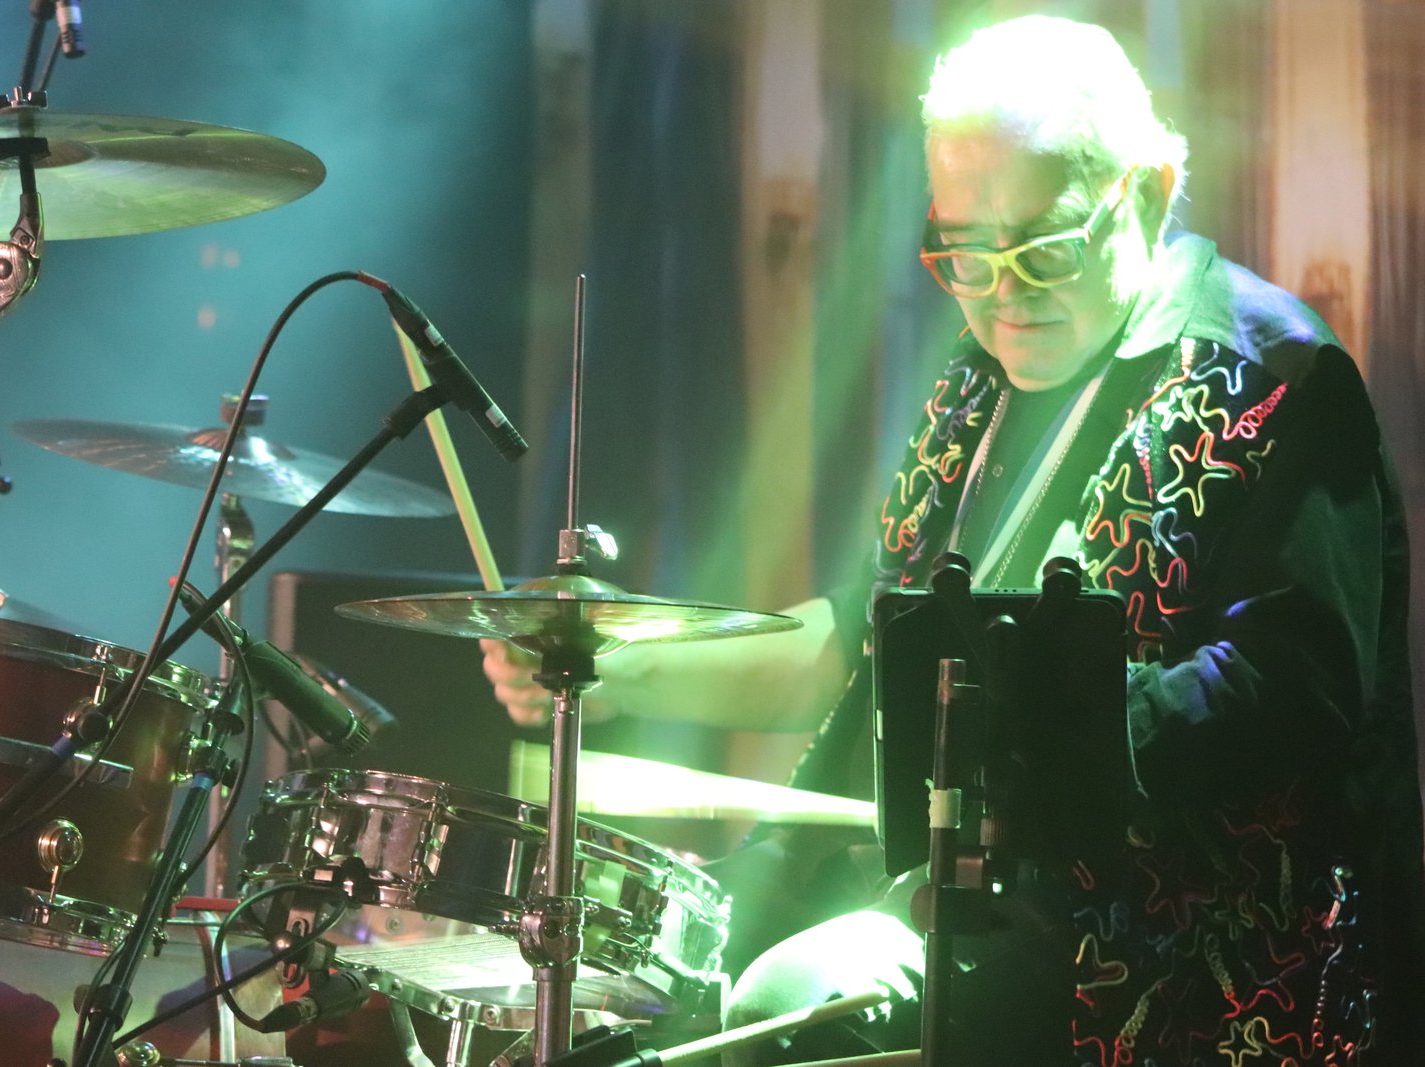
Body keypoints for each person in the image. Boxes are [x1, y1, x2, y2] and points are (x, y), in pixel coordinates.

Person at [483, 14, 1425, 1065]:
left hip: (1182, 964)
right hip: (966, 906)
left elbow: (1294, 689)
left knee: (782, 1009)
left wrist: (1026, 728)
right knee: (660, 996)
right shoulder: (977, 379)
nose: (1004, 294)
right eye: (967, 252)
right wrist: (617, 665)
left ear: (1149, 192)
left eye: (1045, 247)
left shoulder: (1270, 377)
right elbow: (877, 641)